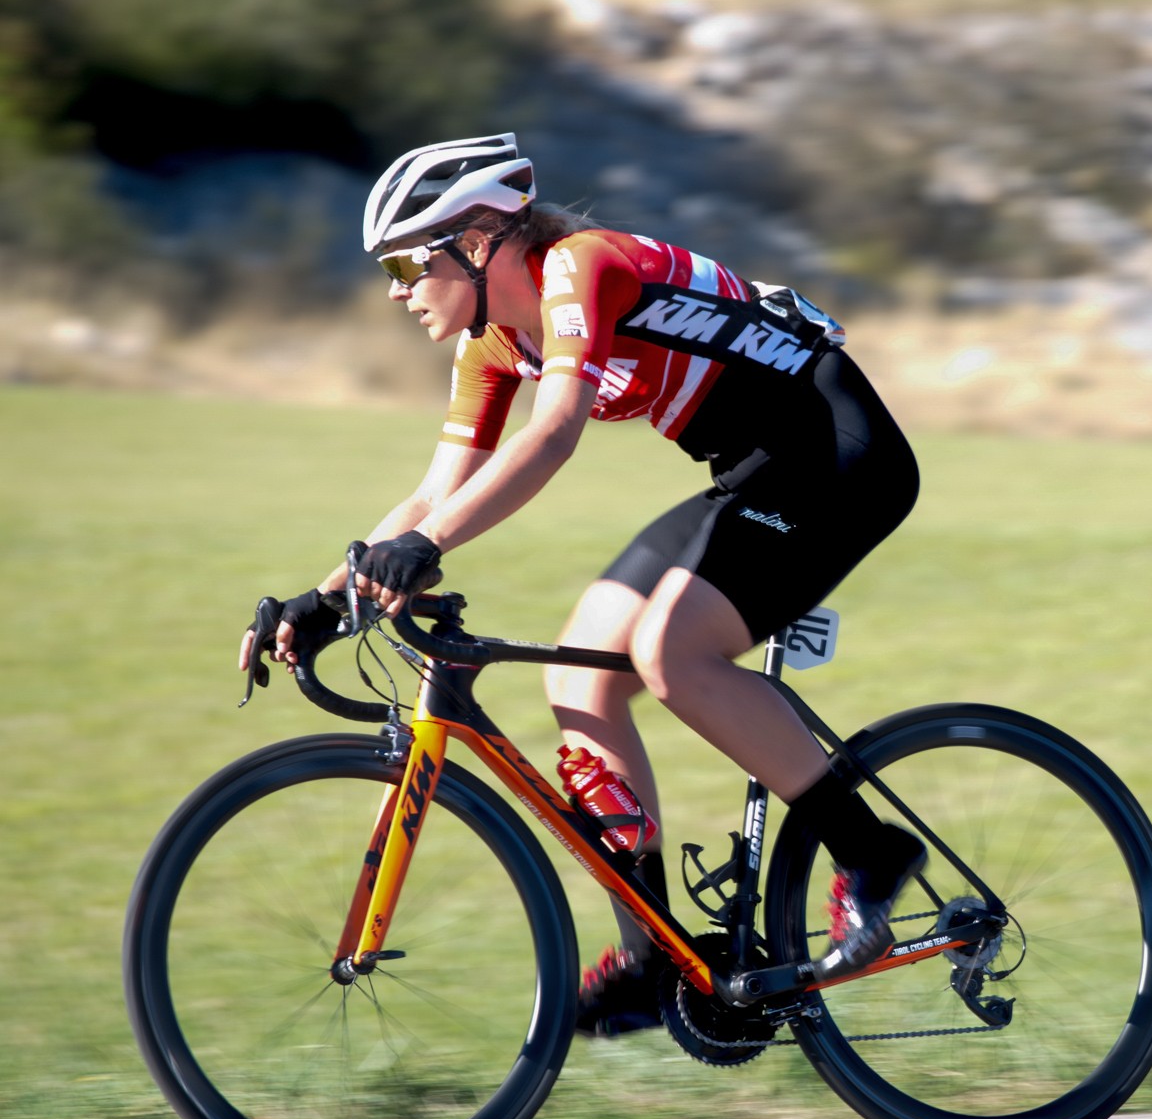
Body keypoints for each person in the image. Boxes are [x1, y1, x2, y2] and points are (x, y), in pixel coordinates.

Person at [239, 134, 926, 1035]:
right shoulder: (493, 341)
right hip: (749, 467)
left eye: (409, 261)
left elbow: (555, 432)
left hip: (839, 452)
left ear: (480, 238)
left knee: (671, 652)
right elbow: (432, 492)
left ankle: (873, 850)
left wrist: (426, 546)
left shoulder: (581, 268)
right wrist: (329, 598)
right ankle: (652, 957)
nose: (399, 289)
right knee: (580, 675)